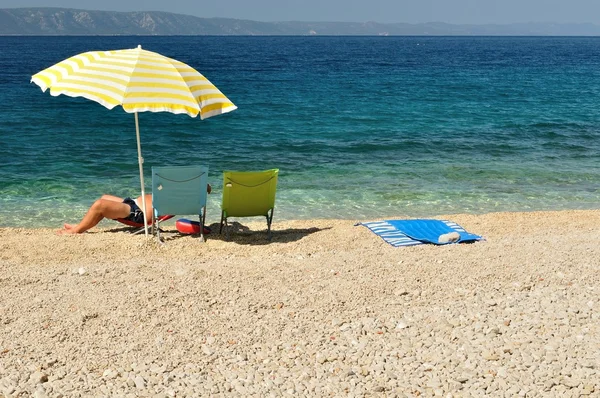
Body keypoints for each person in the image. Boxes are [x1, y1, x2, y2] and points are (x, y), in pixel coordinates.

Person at [58, 184, 211, 235]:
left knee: (100, 204)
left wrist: (203, 188)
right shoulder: (176, 193)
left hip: (138, 213)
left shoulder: (179, 201)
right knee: (104, 197)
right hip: (134, 203)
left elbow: (203, 191)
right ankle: (80, 226)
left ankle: (75, 231)